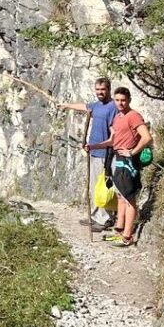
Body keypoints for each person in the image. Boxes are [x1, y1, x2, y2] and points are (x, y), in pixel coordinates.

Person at [84, 87, 152, 247]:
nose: (120, 103)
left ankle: (127, 236)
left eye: (123, 100)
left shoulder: (133, 116)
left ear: (129, 100)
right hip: (117, 159)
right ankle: (119, 230)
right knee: (121, 196)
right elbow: (113, 140)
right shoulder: (118, 117)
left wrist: (132, 152)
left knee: (129, 199)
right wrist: (93, 146)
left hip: (127, 162)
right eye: (117, 100)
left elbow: (146, 137)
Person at [59, 77, 118, 230]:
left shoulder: (113, 107)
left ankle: (105, 219)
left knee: (103, 187)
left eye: (103, 90)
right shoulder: (96, 106)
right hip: (93, 151)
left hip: (105, 153)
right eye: (98, 90)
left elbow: (114, 132)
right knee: (93, 187)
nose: (100, 92)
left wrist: (103, 146)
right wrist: (67, 105)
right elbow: (84, 106)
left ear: (108, 89)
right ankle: (95, 214)